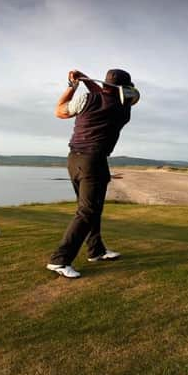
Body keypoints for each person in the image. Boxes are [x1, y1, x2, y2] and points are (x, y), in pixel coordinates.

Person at [46, 68, 139, 278]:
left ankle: (96, 250)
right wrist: (86, 80)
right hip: (93, 162)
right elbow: (106, 95)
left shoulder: (87, 98)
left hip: (75, 160)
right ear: (124, 89)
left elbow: (59, 111)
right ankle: (59, 260)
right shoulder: (123, 109)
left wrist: (73, 86)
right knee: (88, 211)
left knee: (91, 210)